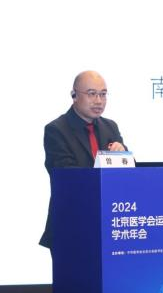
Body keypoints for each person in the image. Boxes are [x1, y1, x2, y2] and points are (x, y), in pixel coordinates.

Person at [39, 70, 127, 248]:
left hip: (108, 224)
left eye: (103, 94)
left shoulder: (110, 127)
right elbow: (65, 177)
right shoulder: (57, 130)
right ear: (74, 95)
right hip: (71, 226)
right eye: (92, 94)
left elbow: (128, 172)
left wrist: (123, 153)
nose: (99, 101)